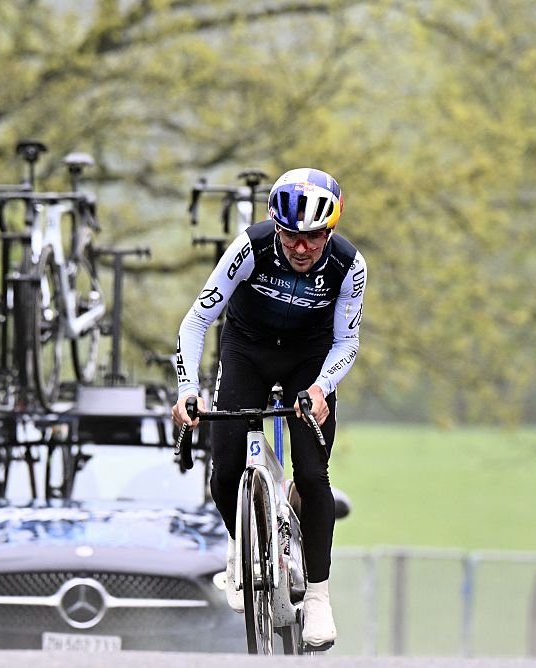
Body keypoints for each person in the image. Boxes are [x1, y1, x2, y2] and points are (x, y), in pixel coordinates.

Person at [171, 168, 366, 649]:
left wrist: (322, 389)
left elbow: (347, 340)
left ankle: (318, 596)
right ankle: (242, 547)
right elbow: (197, 320)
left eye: (314, 238)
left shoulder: (348, 266)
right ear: (276, 228)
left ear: (331, 231)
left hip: (310, 359)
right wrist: (186, 389)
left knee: (315, 478)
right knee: (224, 469)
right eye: (292, 237)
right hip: (247, 351)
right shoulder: (249, 248)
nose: (302, 248)